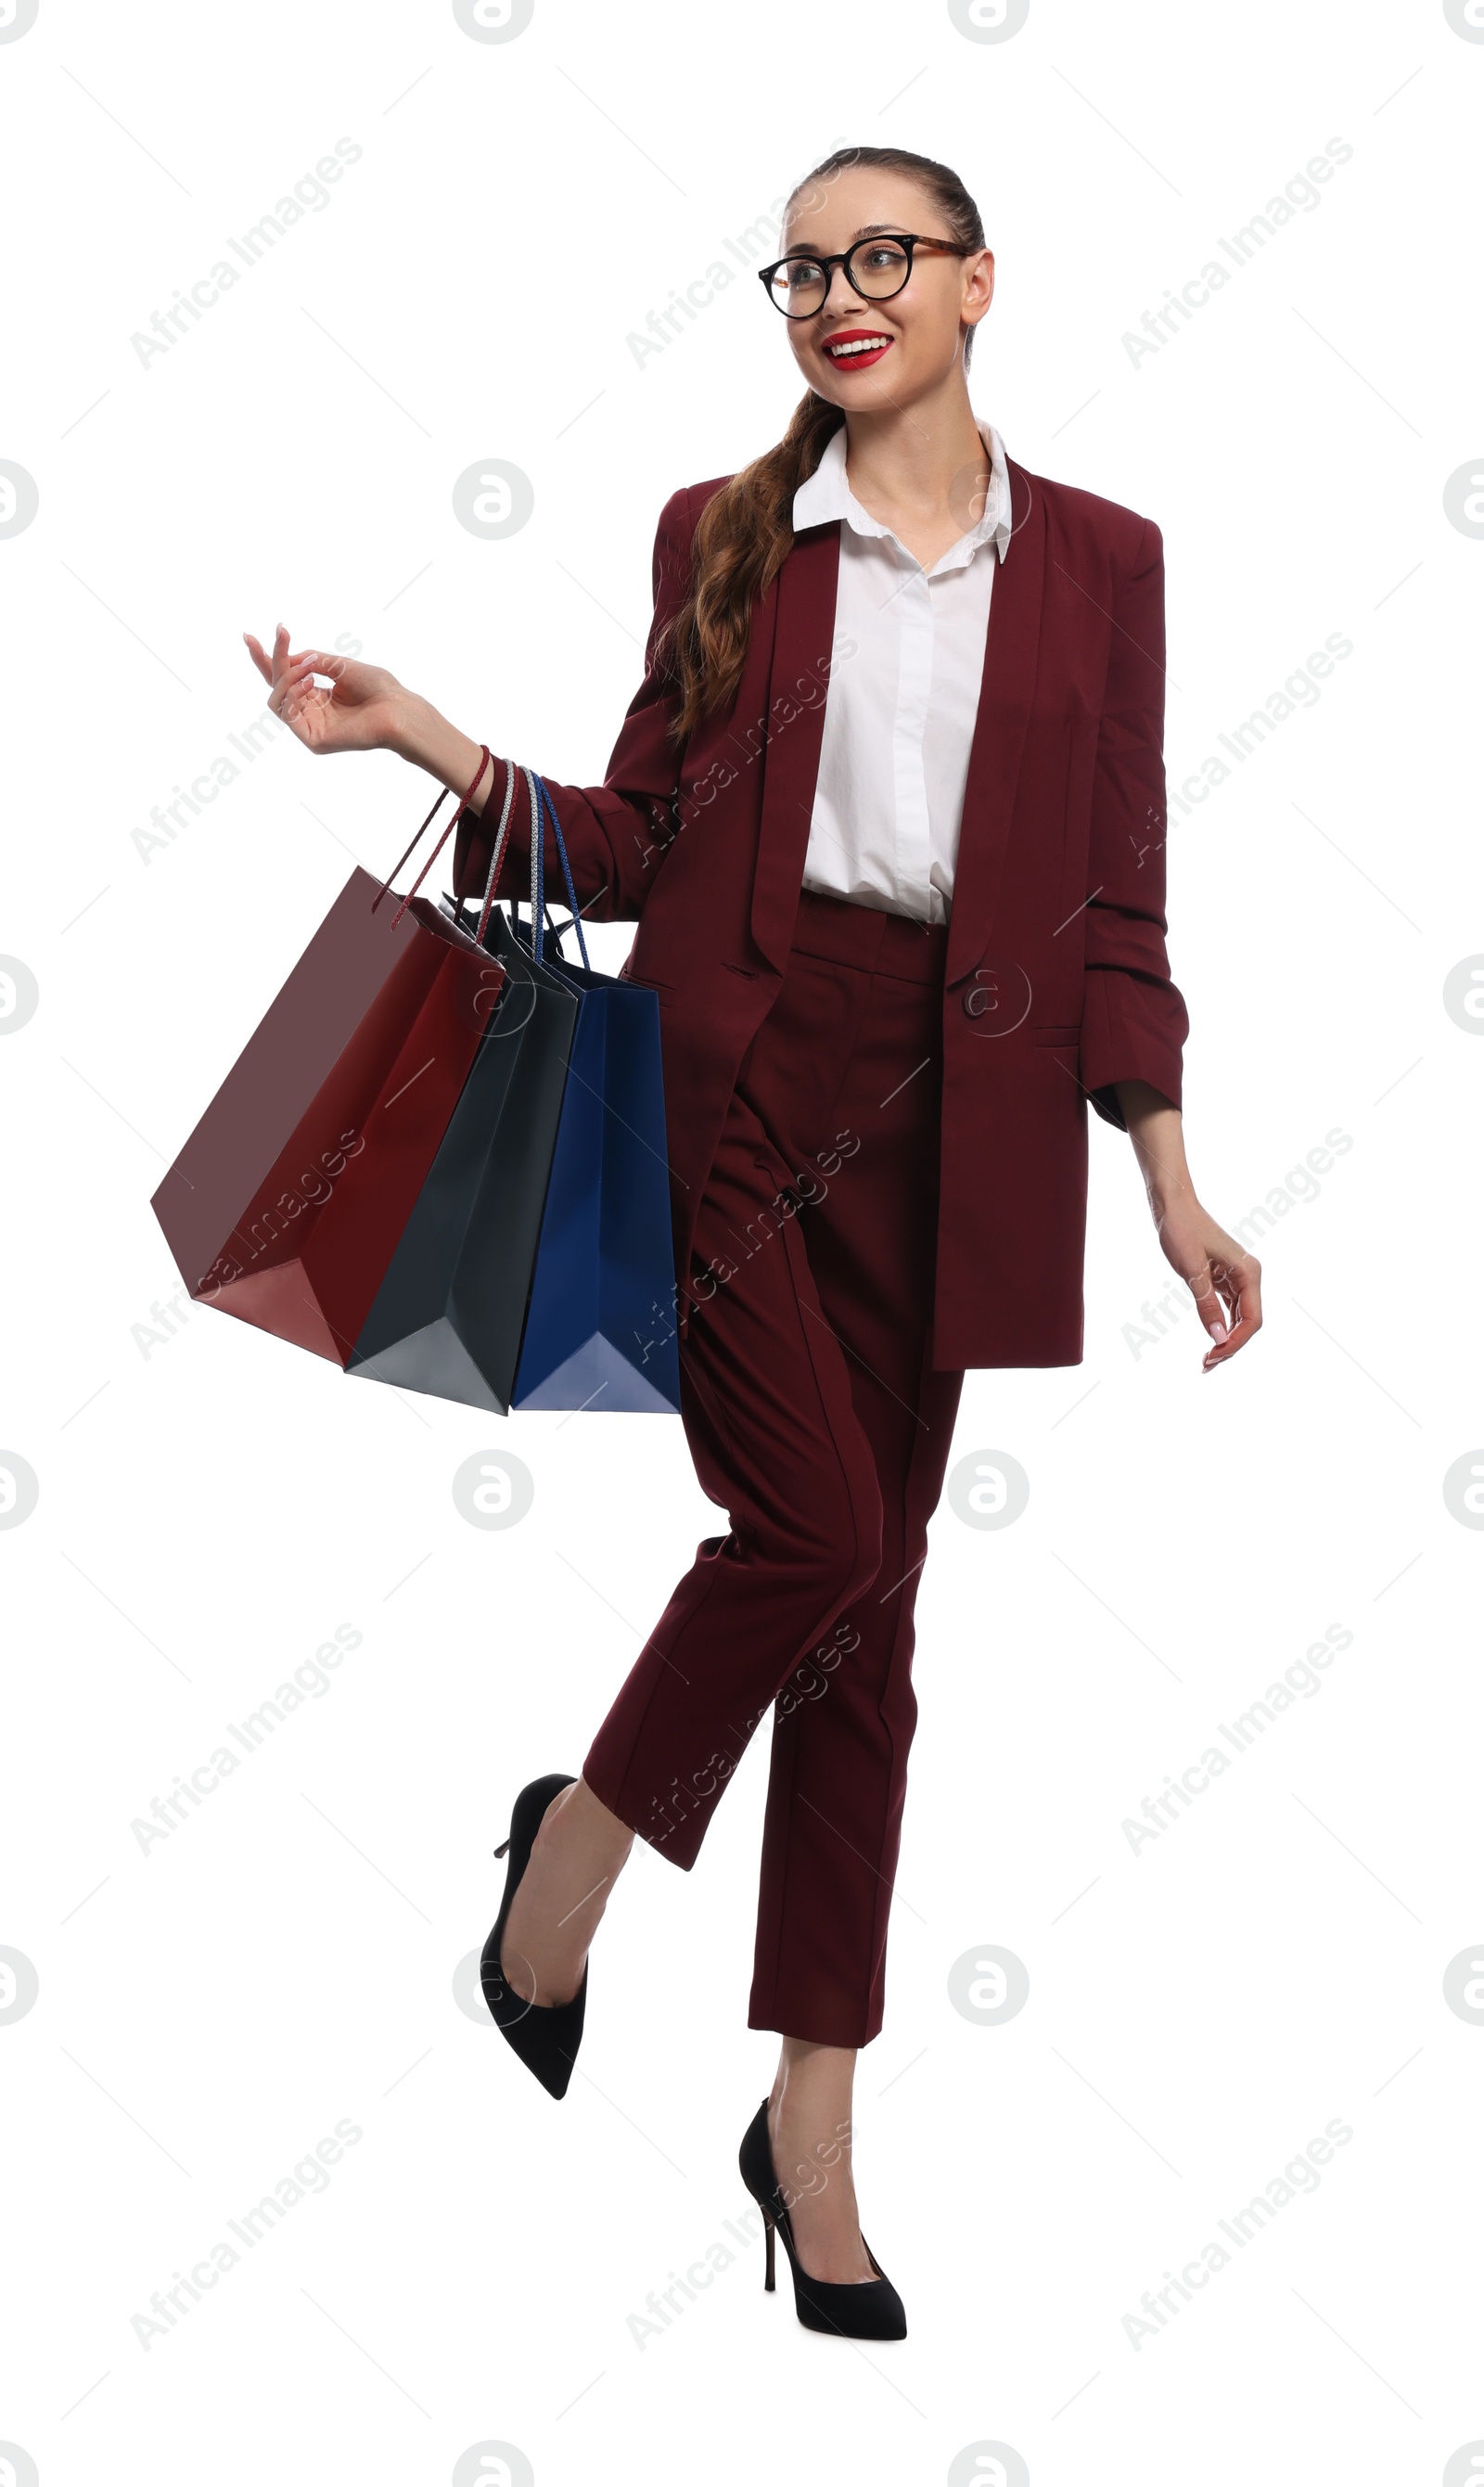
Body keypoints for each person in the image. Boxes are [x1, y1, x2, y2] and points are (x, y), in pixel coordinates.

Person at [245, 141, 1262, 2342]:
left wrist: (1164, 1166)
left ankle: (810, 2125)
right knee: (805, 1541)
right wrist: (417, 730)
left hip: (965, 1123)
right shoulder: (719, 539)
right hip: (736, 1095)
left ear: (980, 281)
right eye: (799, 268)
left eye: (877, 255)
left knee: (868, 1632)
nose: (833, 295)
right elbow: (625, 844)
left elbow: (1116, 904)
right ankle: (571, 1870)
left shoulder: (1103, 566)